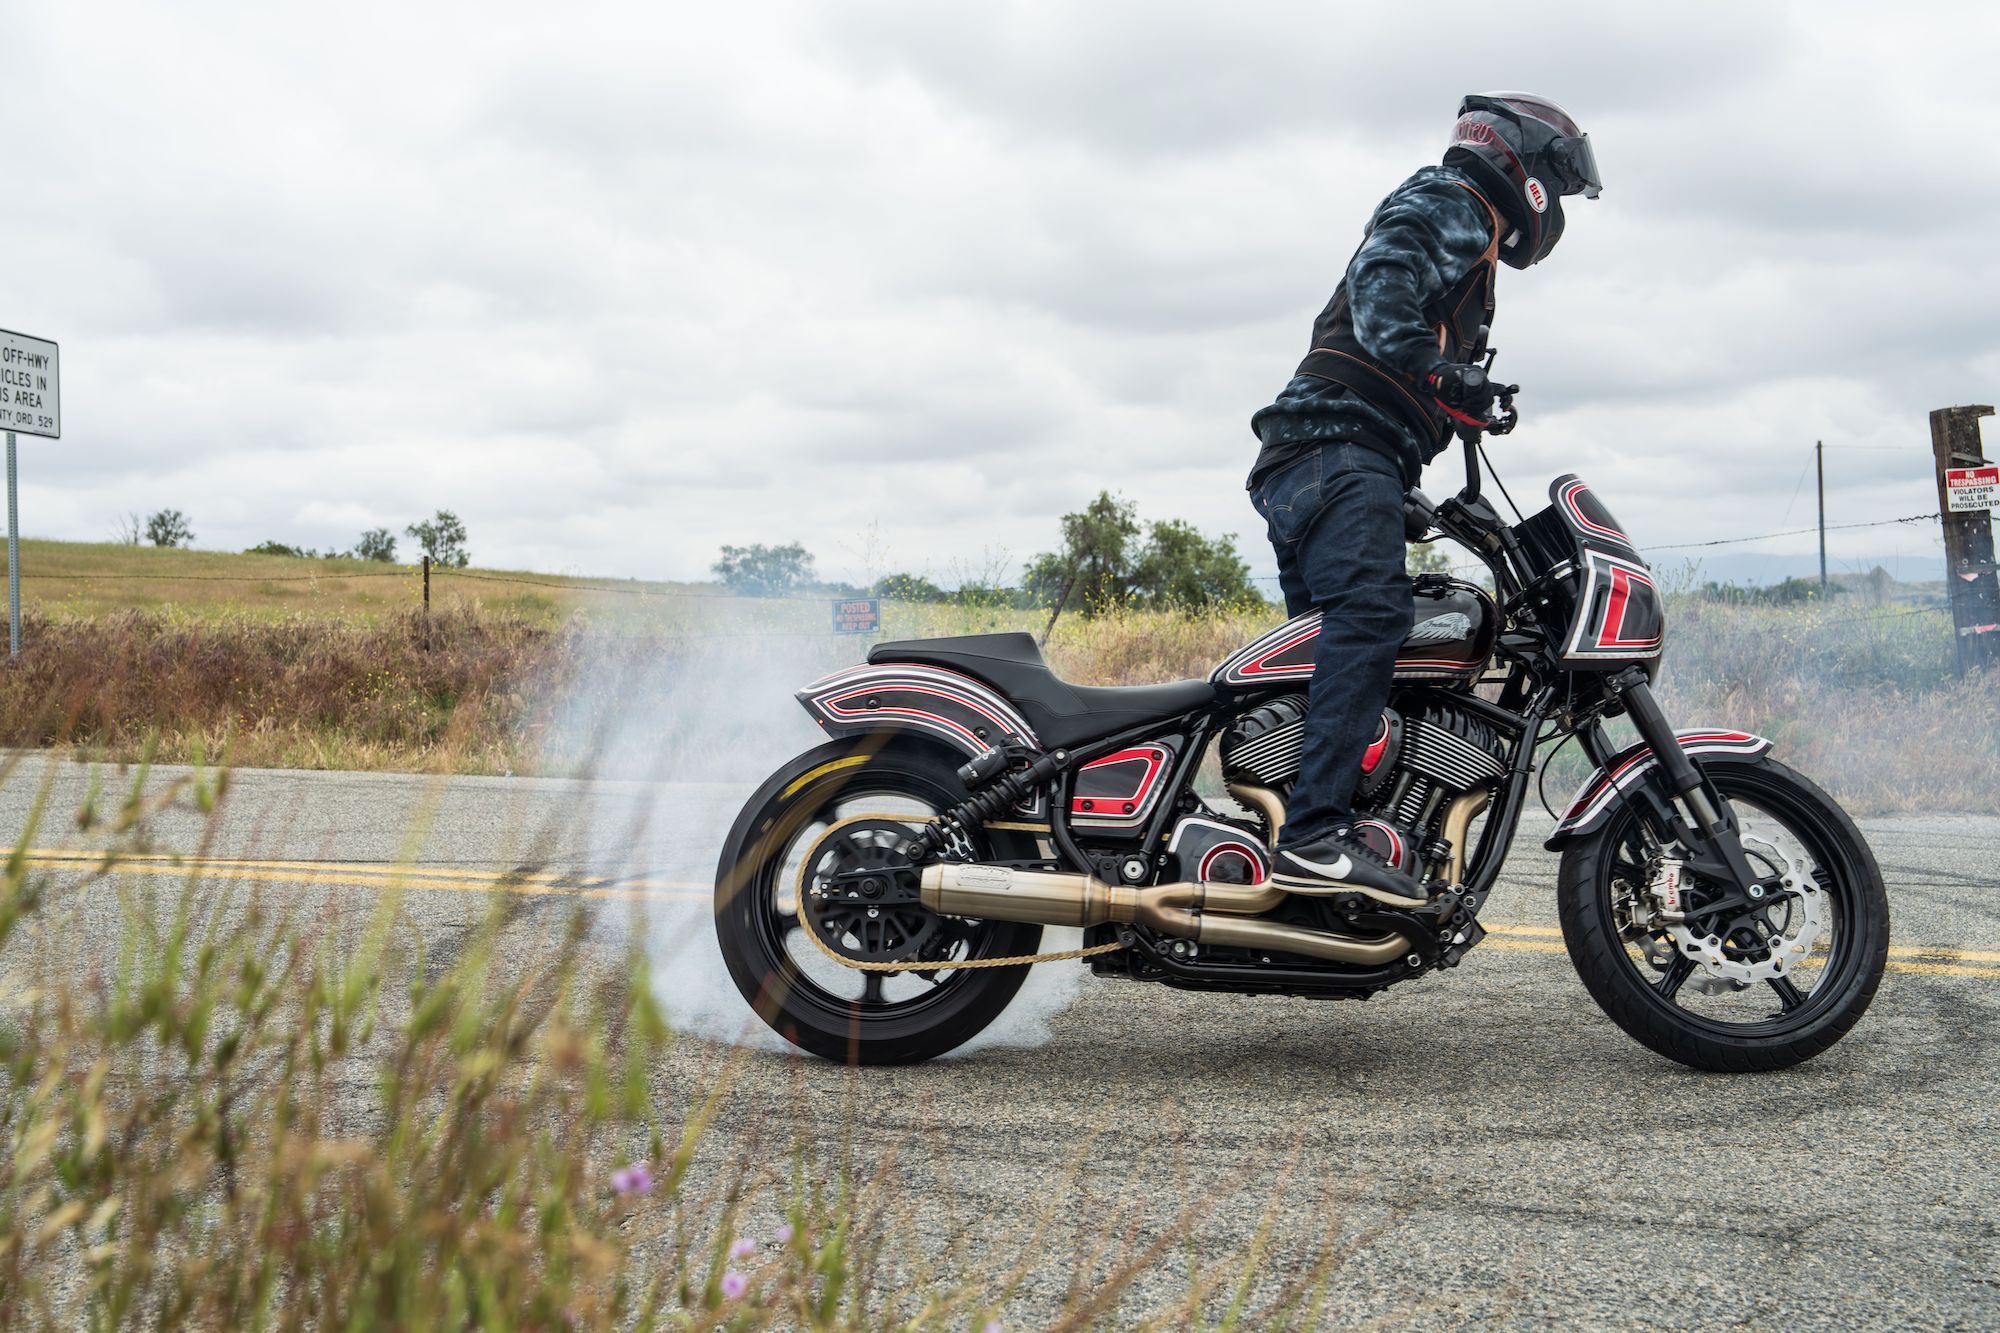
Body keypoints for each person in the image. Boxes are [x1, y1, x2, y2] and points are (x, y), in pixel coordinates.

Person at [1248, 92, 1601, 904]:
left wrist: (1410, 476)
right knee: (1373, 617)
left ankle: (1304, 830)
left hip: (1327, 459)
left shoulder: (1470, 243)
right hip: (1335, 452)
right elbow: (1385, 276)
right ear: (1529, 164)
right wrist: (1436, 369)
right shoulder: (1455, 204)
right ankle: (1312, 839)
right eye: (1562, 180)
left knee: (1330, 660)